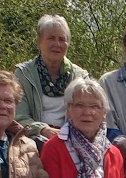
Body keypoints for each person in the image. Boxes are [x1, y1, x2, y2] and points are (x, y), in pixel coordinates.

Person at [15, 14, 104, 143]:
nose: (57, 44)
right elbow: (18, 117)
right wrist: (43, 130)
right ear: (39, 42)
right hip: (33, 141)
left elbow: (93, 113)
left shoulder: (80, 76)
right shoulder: (24, 74)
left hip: (73, 140)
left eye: (62, 39)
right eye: (51, 38)